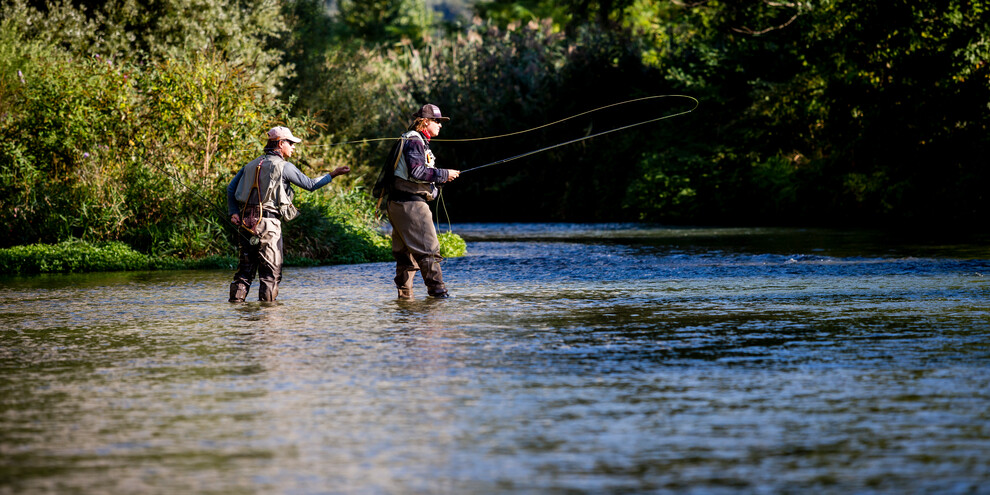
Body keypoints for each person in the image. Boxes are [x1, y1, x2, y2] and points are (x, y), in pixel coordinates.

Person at [226, 126, 350, 302]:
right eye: (290, 143)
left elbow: (231, 188)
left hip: (246, 222)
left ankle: (237, 315)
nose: (293, 147)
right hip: (268, 224)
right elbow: (310, 185)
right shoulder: (284, 166)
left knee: (244, 272)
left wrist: (234, 212)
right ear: (280, 143)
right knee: (270, 274)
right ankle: (268, 321)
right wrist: (334, 174)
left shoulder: (250, 165)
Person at [386, 103, 460, 299]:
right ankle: (439, 295)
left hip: (398, 205)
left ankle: (404, 302)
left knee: (405, 256)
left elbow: (414, 174)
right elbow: (417, 171)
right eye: (437, 121)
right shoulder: (415, 142)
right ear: (425, 121)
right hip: (411, 206)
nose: (440, 125)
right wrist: (444, 173)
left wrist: (437, 182)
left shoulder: (413, 140)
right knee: (429, 252)